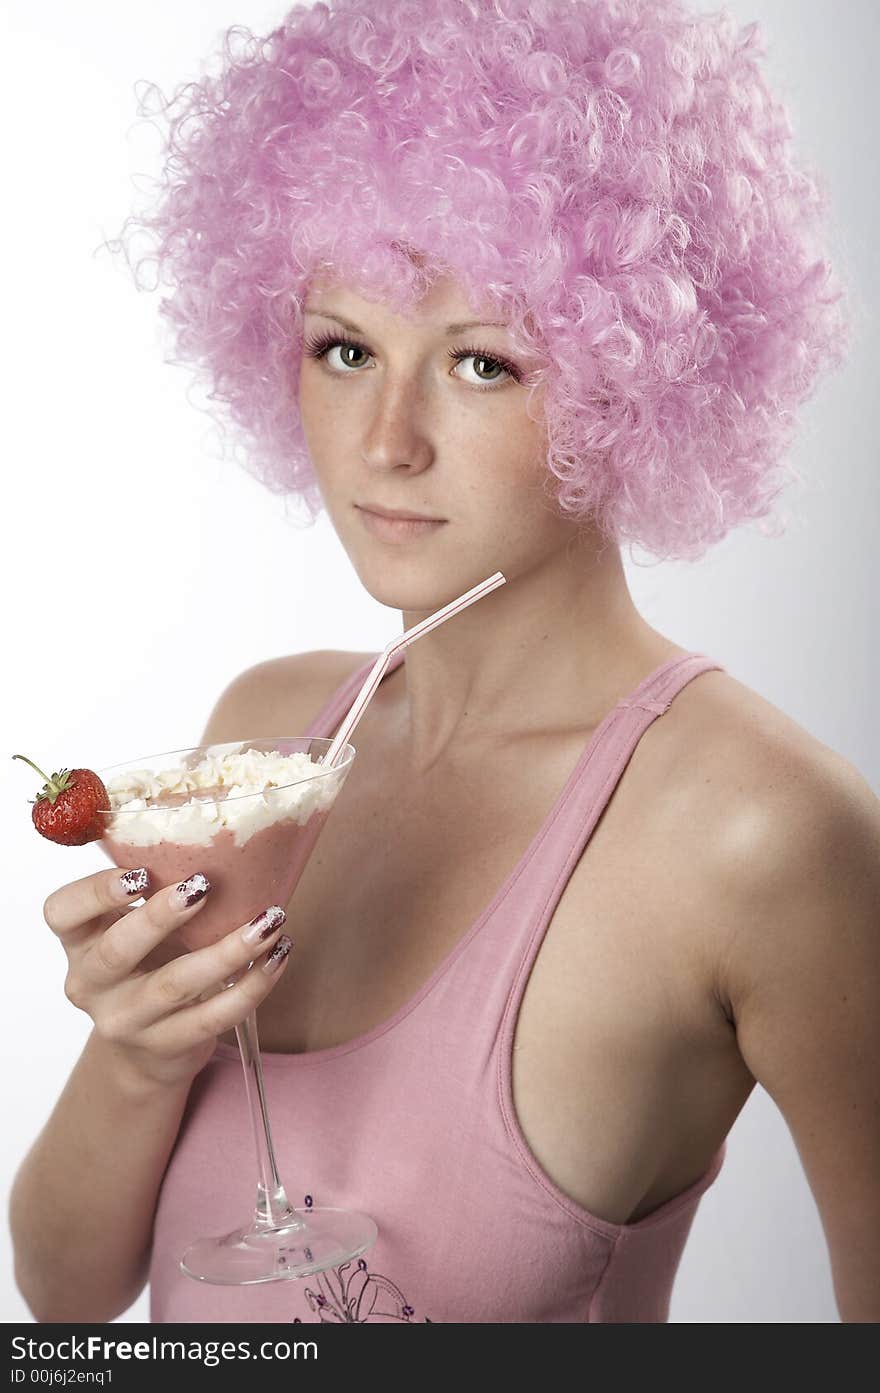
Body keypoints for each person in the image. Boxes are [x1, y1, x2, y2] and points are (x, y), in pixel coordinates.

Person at [10, 0, 879, 1324]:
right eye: (345, 348)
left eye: (483, 363)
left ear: (627, 378)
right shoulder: (271, 733)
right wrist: (135, 1051)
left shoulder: (764, 831)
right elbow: (69, 1299)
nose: (386, 440)